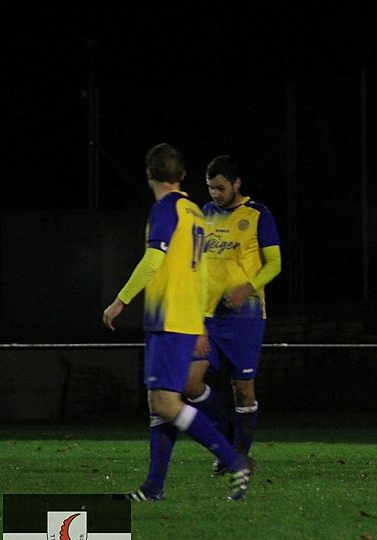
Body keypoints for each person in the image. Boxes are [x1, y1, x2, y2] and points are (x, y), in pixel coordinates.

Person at [102, 143, 252, 501]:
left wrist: (121, 300)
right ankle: (152, 488)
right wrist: (199, 321)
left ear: (149, 174)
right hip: (183, 319)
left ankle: (234, 461)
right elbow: (201, 274)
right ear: (182, 175)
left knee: (167, 405)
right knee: (159, 406)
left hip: (168, 319)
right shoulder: (195, 212)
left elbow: (154, 258)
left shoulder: (165, 209)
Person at [183, 155, 282, 474]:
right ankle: (228, 444)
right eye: (210, 188)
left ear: (236, 184)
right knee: (189, 382)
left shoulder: (258, 214)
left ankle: (239, 452)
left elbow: (275, 264)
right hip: (207, 316)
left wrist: (248, 288)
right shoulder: (204, 214)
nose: (215, 193)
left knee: (243, 388)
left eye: (221, 188)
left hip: (245, 317)